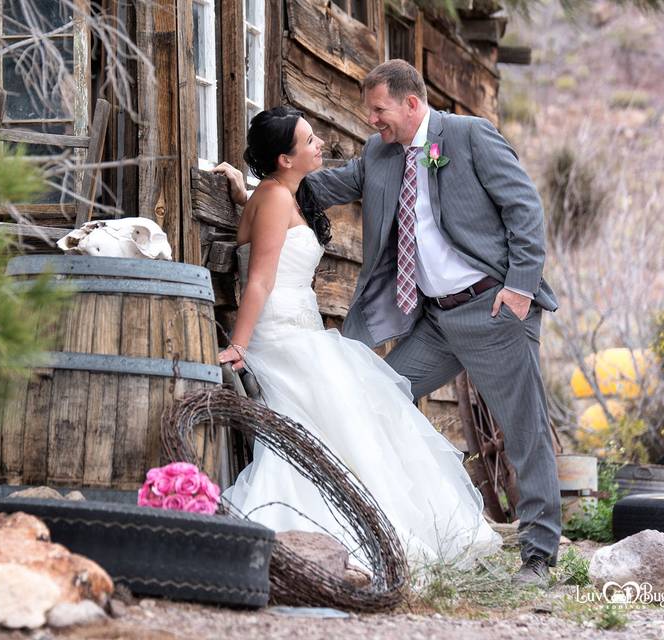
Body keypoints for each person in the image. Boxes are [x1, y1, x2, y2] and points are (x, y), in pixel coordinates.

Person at [216, 60, 560, 587]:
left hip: (492, 307)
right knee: (378, 400)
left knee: (523, 427)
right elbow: (313, 187)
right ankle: (418, 525)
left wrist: (518, 288)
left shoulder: (469, 137)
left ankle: (539, 555)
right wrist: (256, 193)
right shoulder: (380, 153)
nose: (371, 119)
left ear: (411, 104)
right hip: (436, 320)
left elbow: (525, 210)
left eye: (378, 110)